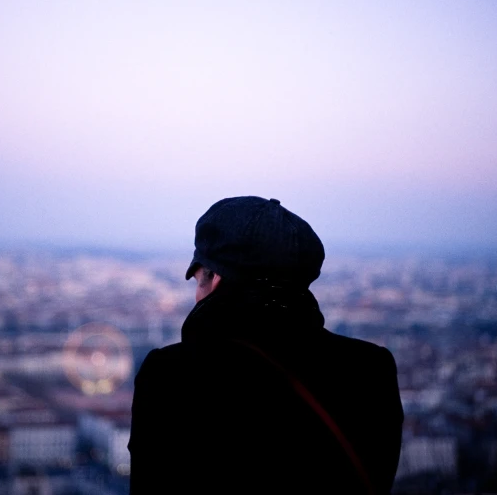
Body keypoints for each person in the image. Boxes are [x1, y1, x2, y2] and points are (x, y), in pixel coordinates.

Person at [128, 196, 403, 494]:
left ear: (216, 278)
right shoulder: (372, 369)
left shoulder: (171, 376)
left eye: (198, 281)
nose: (197, 294)